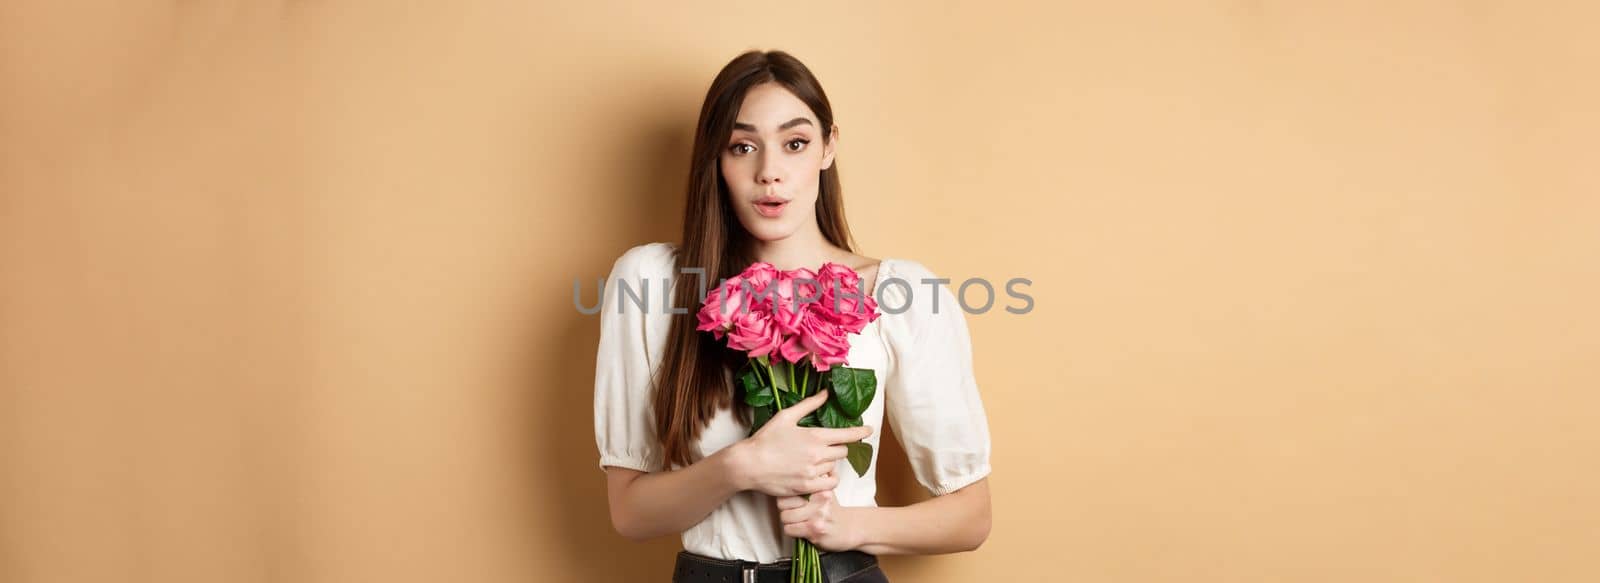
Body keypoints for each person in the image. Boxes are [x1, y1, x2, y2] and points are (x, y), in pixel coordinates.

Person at [593, 49, 992, 583]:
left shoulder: (904, 293)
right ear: (717, 159)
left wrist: (847, 526)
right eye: (742, 147)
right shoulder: (650, 283)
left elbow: (971, 516)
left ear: (828, 147)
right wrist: (743, 465)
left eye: (795, 143)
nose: (770, 173)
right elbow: (630, 514)